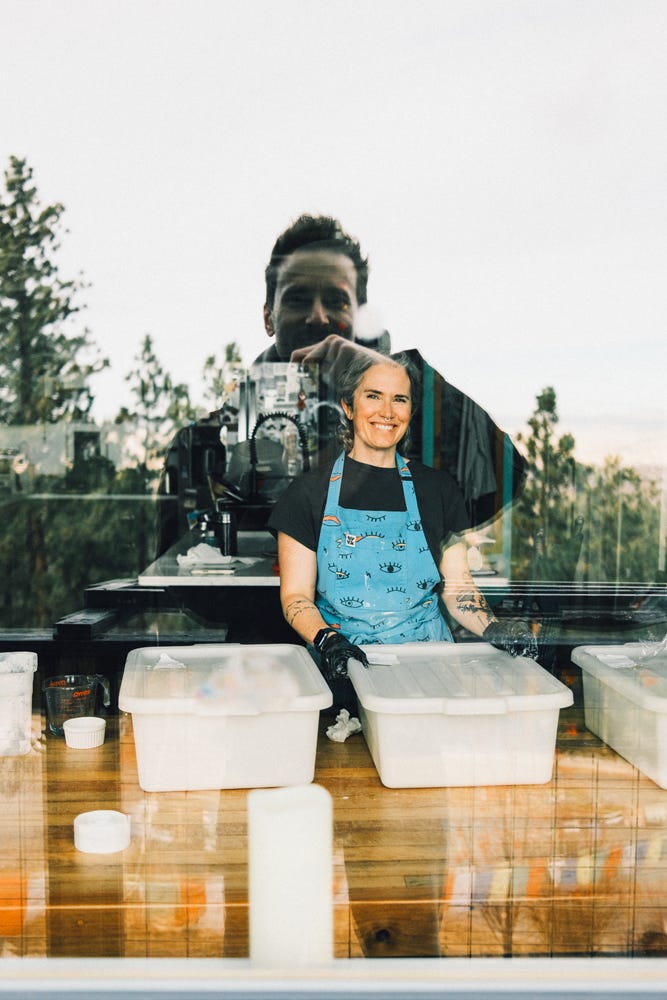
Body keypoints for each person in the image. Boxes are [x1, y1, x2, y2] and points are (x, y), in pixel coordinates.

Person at [268, 353, 536, 705]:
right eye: (373, 396)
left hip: (428, 670)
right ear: (348, 406)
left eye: (400, 399)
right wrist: (327, 640)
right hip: (343, 669)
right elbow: (296, 596)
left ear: (411, 411)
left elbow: (457, 588)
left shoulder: (437, 489)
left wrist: (494, 626)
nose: (387, 412)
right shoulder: (307, 493)